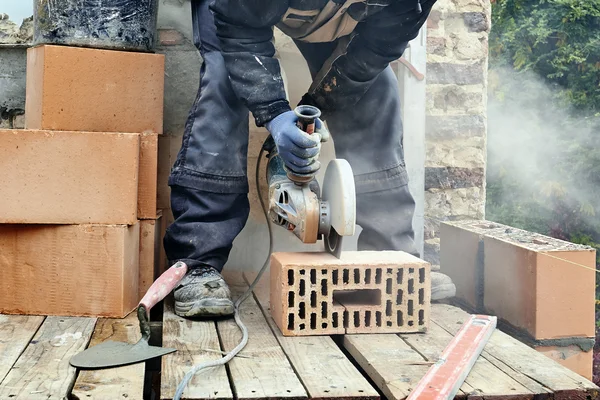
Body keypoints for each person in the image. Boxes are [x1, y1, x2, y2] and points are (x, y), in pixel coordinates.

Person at [164, 0, 456, 318]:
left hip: (336, 14)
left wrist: (317, 106)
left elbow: (374, 50)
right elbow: (238, 32)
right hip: (235, 13)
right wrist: (275, 116)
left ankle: (391, 256)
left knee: (374, 89)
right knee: (225, 82)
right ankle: (198, 262)